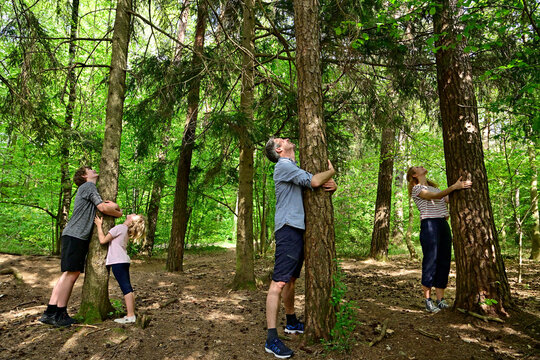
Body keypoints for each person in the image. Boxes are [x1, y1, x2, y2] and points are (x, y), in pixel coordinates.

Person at [263, 137, 337, 358]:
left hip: (295, 227)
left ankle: (292, 322)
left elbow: (311, 187)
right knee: (279, 282)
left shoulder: (292, 167)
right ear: (279, 149)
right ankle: (271, 339)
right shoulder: (283, 165)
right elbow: (314, 181)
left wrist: (331, 186)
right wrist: (331, 172)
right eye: (281, 139)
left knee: (291, 279)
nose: (286, 138)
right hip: (288, 228)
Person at [39, 166, 123, 327]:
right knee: (71, 274)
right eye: (89, 169)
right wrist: (119, 212)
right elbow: (103, 208)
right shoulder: (89, 186)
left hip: (73, 235)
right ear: (85, 176)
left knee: (68, 274)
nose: (93, 170)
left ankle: (50, 313)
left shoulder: (86, 188)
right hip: (75, 235)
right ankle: (60, 314)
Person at [406, 166, 472, 313]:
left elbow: (447, 199)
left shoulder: (434, 188)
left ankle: (440, 300)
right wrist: (454, 186)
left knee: (444, 260)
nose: (422, 166)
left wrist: (457, 189)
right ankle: (428, 300)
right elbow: (433, 197)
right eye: (418, 167)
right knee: (431, 260)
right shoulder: (417, 189)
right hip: (430, 224)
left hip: (442, 224)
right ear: (415, 175)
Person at [94, 214, 146, 324]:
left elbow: (103, 240)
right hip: (123, 260)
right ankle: (131, 314)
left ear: (131, 220)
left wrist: (99, 225)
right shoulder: (125, 230)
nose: (133, 213)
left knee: (125, 288)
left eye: (135, 215)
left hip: (118, 261)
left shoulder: (120, 228)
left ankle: (130, 315)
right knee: (128, 287)